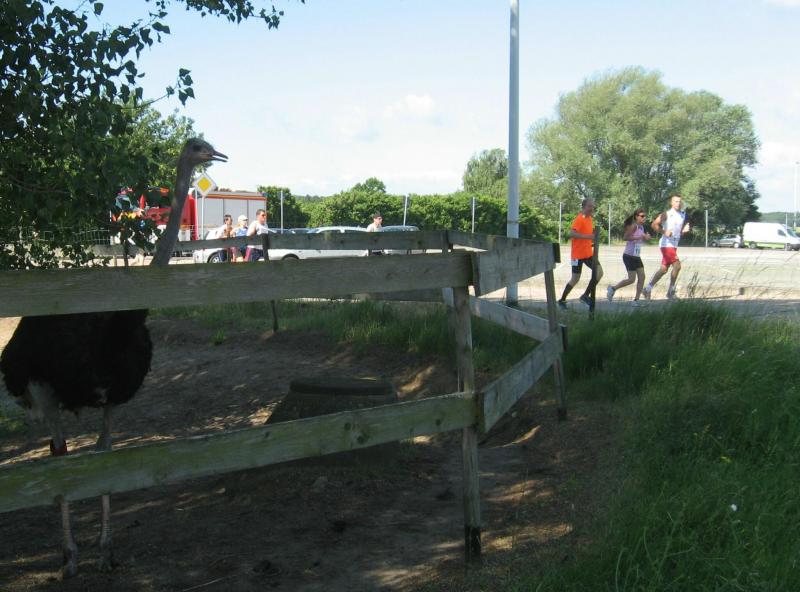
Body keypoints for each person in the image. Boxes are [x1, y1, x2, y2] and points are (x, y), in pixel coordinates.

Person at [643, 195, 691, 300]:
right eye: (676, 201)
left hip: (674, 245)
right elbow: (654, 224)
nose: (678, 203)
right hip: (666, 244)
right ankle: (670, 292)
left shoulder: (682, 215)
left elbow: (678, 233)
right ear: (671, 203)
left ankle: (647, 289)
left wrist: (684, 231)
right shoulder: (667, 214)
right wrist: (664, 231)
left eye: (679, 201)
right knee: (677, 266)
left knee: (664, 269)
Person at [558, 198, 603, 309]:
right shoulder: (579, 219)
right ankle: (562, 300)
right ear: (584, 207)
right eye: (589, 206)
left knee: (599, 272)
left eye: (593, 206)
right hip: (577, 255)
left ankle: (585, 296)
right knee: (575, 279)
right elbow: (571, 234)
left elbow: (588, 234)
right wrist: (589, 237)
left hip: (588, 254)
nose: (592, 208)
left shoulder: (590, 219)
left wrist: (593, 240)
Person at [606, 208, 651, 306]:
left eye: (645, 216)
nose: (644, 218)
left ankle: (636, 300)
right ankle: (612, 289)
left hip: (636, 256)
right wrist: (639, 237)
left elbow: (641, 237)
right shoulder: (633, 226)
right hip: (628, 256)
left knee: (642, 277)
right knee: (631, 279)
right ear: (636, 217)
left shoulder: (641, 227)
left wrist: (646, 237)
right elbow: (625, 237)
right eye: (642, 216)